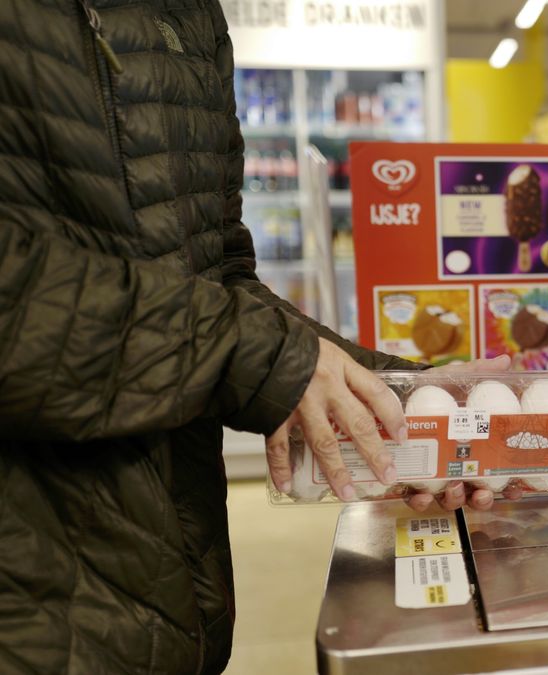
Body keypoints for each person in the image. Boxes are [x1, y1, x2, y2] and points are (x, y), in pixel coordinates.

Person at [0, 1, 506, 672]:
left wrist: (399, 396)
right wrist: (261, 356)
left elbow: (221, 276)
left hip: (171, 575)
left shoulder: (192, 14)